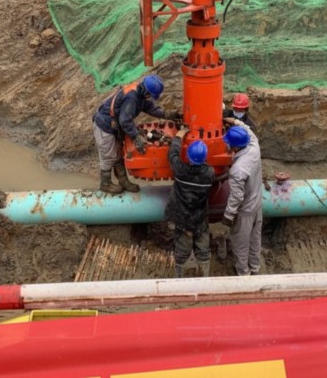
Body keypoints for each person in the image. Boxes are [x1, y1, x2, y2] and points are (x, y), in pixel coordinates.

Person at [92, 74, 177, 194]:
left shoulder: (141, 94)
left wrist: (169, 114)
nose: (150, 98)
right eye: (150, 95)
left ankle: (123, 181)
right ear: (146, 91)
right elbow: (125, 121)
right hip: (104, 125)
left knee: (118, 154)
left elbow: (152, 109)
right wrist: (136, 137)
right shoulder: (132, 97)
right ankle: (105, 184)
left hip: (114, 124)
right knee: (108, 155)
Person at [165, 128, 215, 278]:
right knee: (203, 249)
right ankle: (204, 277)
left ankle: (179, 277)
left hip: (181, 217)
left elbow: (172, 155)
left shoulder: (180, 170)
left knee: (182, 250)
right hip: (200, 218)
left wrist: (178, 137)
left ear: (187, 155)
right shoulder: (209, 173)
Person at [221, 117, 263, 276]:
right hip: (257, 205)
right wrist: (234, 121)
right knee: (255, 240)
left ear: (235, 147)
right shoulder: (254, 146)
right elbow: (248, 130)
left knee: (240, 244)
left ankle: (243, 274)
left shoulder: (238, 169)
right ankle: (255, 267)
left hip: (245, 211)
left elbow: (237, 196)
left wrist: (228, 215)